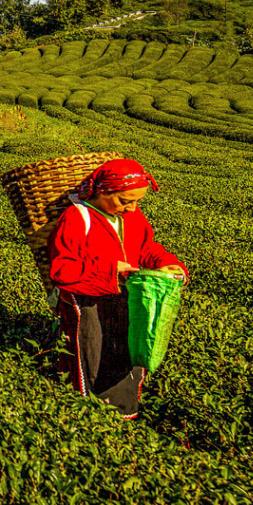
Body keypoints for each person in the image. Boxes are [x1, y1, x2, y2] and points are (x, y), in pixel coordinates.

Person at [48, 158, 187, 419]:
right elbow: (61, 270)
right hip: (88, 305)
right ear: (102, 191)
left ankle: (124, 416)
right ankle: (86, 418)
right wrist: (112, 270)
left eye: (137, 201)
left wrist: (168, 264)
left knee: (126, 355)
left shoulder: (132, 217)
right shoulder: (78, 217)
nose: (132, 208)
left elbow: (147, 249)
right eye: (125, 201)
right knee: (93, 359)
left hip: (126, 301)